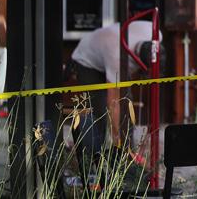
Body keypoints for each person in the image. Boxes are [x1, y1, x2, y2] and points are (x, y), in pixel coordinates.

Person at [70, 20, 163, 148]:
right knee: (99, 109)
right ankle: (97, 153)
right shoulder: (117, 57)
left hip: (108, 48)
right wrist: (116, 137)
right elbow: (114, 102)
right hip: (88, 59)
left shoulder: (155, 33)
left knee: (126, 103)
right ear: (138, 61)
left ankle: (128, 149)